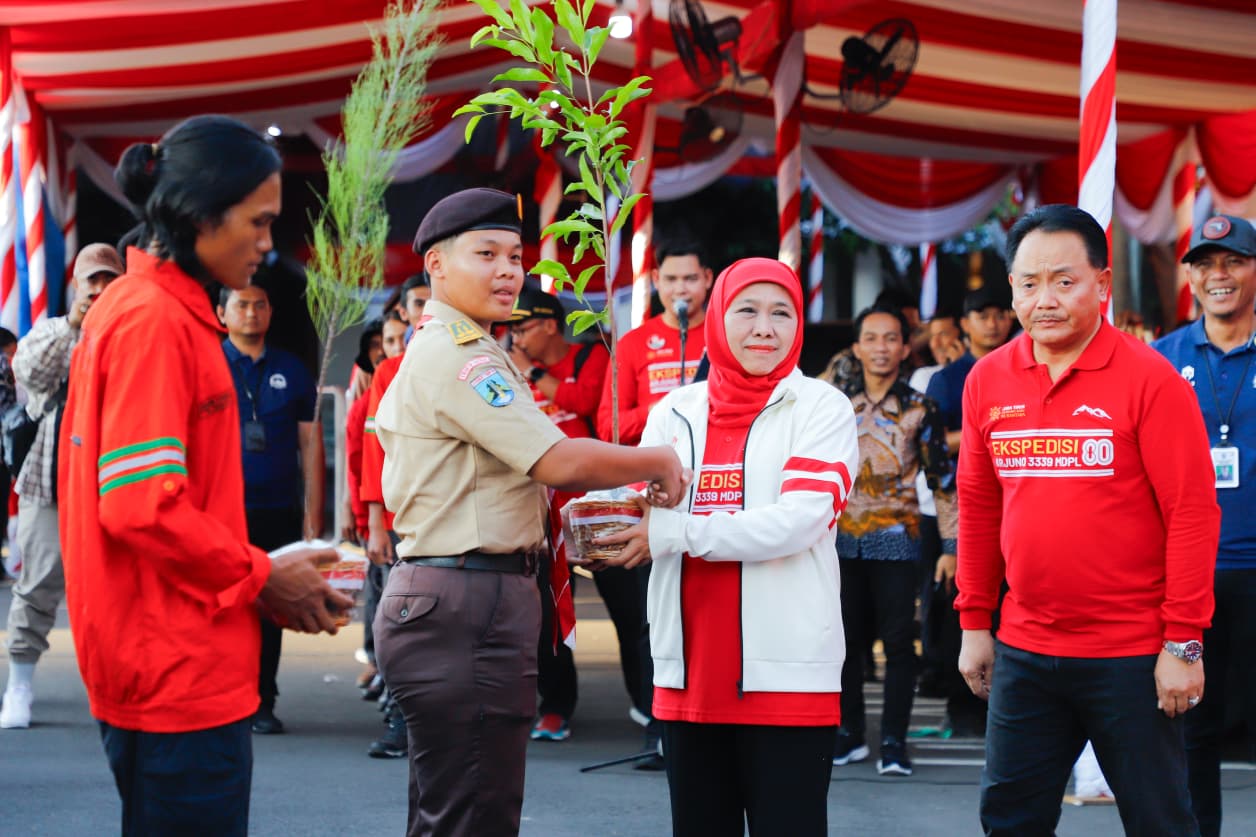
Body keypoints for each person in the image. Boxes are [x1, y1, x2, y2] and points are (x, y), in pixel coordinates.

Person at [57, 115, 353, 836]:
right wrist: (259, 577)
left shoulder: (152, 310)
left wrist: (265, 566)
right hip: (175, 670)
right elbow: (138, 507)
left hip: (172, 656)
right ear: (197, 212)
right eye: (258, 221)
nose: (266, 242)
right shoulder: (154, 321)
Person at [373, 186, 688, 837]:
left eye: (515, 256)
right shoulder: (461, 354)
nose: (507, 271)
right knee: (474, 810)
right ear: (435, 265)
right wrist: (656, 459)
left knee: (455, 807)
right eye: (486, 253)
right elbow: (555, 459)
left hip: (462, 592)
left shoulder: (463, 346)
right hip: (466, 598)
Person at [956, 204, 1219, 836]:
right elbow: (978, 501)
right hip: (1024, 650)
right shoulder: (988, 380)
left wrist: (1183, 642)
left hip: (1131, 656)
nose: (1044, 299)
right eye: (1028, 283)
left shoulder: (1151, 380)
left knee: (1160, 822)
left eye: (1064, 281)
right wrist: (973, 622)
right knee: (1010, 821)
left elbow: (1191, 513)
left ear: (1102, 285)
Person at [594, 257, 859, 836]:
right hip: (688, 673)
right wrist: (601, 519)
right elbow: (642, 506)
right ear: (718, 316)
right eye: (747, 311)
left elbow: (799, 521)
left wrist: (676, 531)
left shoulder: (821, 408)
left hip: (788, 676)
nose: (765, 328)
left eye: (781, 313)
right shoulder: (673, 411)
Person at [1152, 213, 1256, 837]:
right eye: (1205, 264)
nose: (1219, 275)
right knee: (1191, 730)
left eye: (1234, 261)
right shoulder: (1160, 361)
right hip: (1191, 581)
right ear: (1190, 276)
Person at [507, 286, 645, 742]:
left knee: (631, 613)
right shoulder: (508, 370)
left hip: (598, 513)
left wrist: (535, 372)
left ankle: (651, 710)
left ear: (549, 324)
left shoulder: (590, 358)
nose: (515, 339)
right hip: (541, 514)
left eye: (521, 328)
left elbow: (586, 402)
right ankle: (556, 707)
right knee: (547, 616)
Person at [0, 243, 123, 730]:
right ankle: (20, 684)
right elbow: (29, 374)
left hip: (111, 481)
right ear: (77, 285)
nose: (98, 290)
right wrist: (74, 325)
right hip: (50, 479)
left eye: (107, 280)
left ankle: (114, 686)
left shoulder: (131, 333)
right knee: (38, 582)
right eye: (91, 280)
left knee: (116, 588)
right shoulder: (53, 331)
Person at [832, 304, 956, 777]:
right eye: (871, 338)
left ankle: (893, 741)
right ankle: (848, 733)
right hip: (841, 543)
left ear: (906, 348)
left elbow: (942, 482)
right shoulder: (835, 404)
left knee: (900, 645)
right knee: (842, 644)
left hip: (899, 543)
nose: (881, 348)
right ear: (857, 346)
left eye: (891, 339)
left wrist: (951, 548)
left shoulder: (921, 408)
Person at [217, 280, 324, 735]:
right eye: (241, 304)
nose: (252, 312)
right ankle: (223, 697)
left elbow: (310, 445)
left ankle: (263, 699)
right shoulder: (208, 364)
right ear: (222, 314)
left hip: (279, 509)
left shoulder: (292, 369)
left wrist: (314, 514)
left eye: (260, 304)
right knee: (221, 606)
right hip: (222, 512)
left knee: (269, 606)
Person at [921, 285, 1015, 737]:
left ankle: (1010, 704)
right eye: (982, 314)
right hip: (963, 504)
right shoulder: (950, 377)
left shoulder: (1027, 361)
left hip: (1019, 503)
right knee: (965, 605)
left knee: (1011, 608)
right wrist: (986, 434)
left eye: (1000, 312)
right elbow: (933, 445)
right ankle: (963, 705)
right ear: (965, 323)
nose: (993, 322)